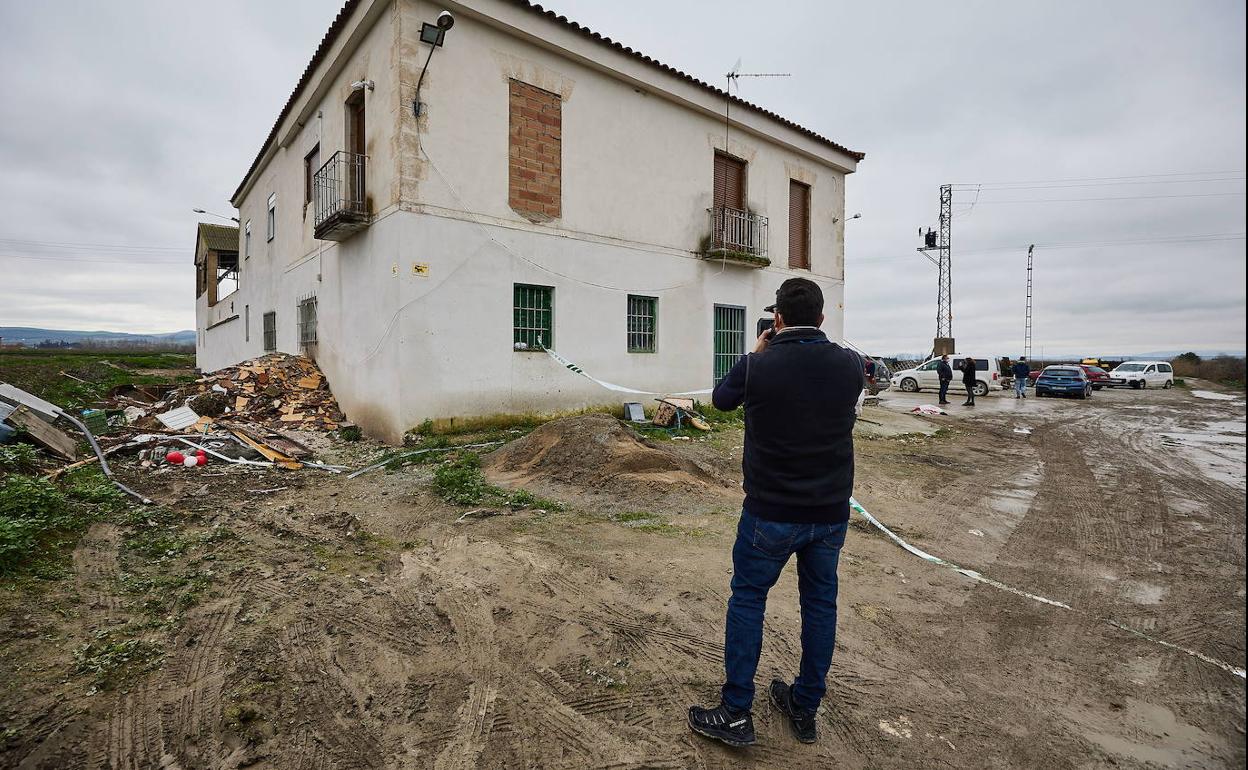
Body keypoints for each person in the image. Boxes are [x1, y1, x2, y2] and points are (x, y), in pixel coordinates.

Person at [688, 278, 864, 747]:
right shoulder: (849, 366)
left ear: (777, 319)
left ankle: (736, 712)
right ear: (823, 319)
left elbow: (721, 400)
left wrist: (757, 351)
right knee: (820, 605)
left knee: (748, 599)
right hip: (828, 514)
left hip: (770, 512)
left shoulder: (758, 365)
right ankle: (805, 705)